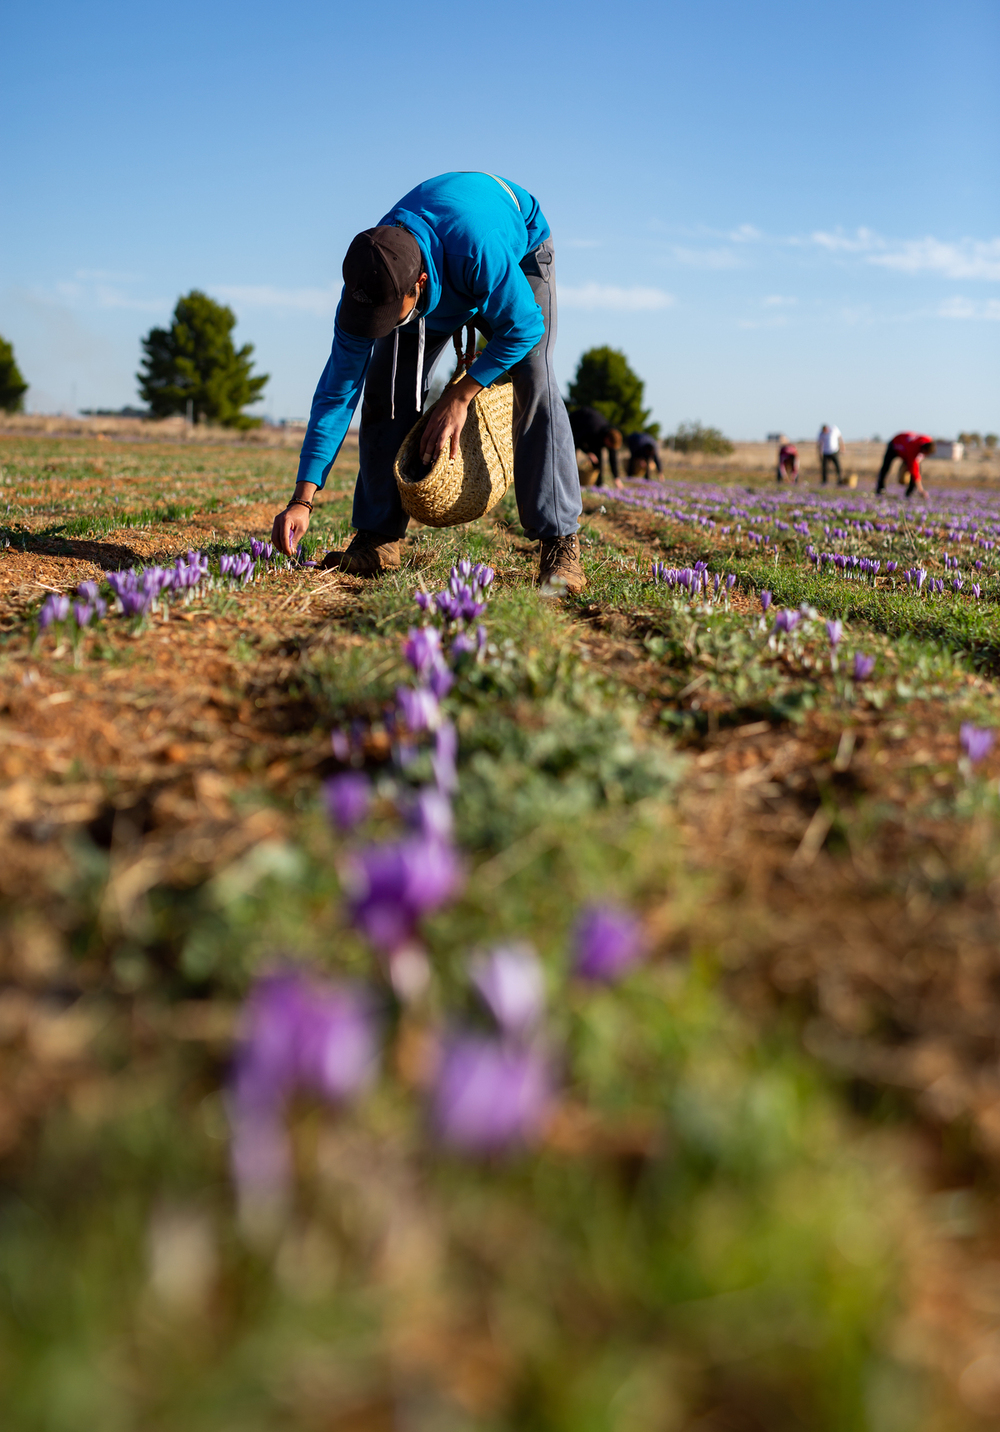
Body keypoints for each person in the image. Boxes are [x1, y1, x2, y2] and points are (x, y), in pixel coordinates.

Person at [271, 172, 586, 594]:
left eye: (390, 316)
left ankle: (560, 541)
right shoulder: (372, 277)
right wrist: (302, 498)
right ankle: (378, 537)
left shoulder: (477, 248)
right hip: (438, 278)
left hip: (517, 251)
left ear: (418, 285)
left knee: (534, 378)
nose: (379, 327)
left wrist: (460, 394)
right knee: (388, 388)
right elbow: (337, 390)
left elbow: (524, 329)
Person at [568, 406, 623, 487]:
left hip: (590, 433)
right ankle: (570, 480)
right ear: (607, 439)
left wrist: (616, 478)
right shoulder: (594, 429)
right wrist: (588, 452)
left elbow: (612, 457)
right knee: (571, 455)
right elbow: (576, 440)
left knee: (597, 458)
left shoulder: (611, 436)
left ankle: (599, 483)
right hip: (575, 423)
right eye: (609, 446)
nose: (608, 448)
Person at [875, 432, 934, 498]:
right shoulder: (913, 450)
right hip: (895, 445)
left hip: (906, 448)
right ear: (923, 450)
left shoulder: (928, 440)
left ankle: (909, 493)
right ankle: (880, 489)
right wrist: (921, 490)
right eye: (925, 454)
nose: (925, 456)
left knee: (916, 470)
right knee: (886, 467)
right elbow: (915, 473)